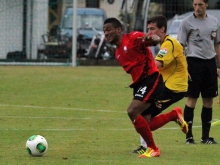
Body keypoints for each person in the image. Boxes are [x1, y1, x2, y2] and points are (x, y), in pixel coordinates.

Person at [103, 17, 188, 158]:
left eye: (109, 29)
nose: (106, 33)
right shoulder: (117, 53)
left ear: (118, 29)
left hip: (151, 80)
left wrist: (151, 39)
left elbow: (150, 40)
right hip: (139, 84)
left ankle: (152, 148)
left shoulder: (133, 38)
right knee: (147, 123)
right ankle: (173, 115)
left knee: (132, 111)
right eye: (104, 31)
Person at [132, 15, 189, 154]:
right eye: (148, 29)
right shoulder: (166, 43)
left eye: (152, 29)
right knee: (144, 116)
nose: (149, 33)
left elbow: (156, 65)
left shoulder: (169, 44)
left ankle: (147, 147)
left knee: (142, 114)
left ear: (162, 29)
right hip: (166, 85)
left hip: (174, 88)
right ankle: (174, 115)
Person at [178, 0, 220, 144]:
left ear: (207, 4)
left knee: (209, 99)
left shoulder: (214, 21)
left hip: (210, 64)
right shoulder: (186, 22)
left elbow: (217, 44)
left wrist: (219, 65)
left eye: (200, 4)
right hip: (193, 63)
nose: (197, 7)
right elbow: (180, 46)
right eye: (195, 4)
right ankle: (189, 137)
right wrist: (184, 68)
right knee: (192, 98)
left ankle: (205, 137)